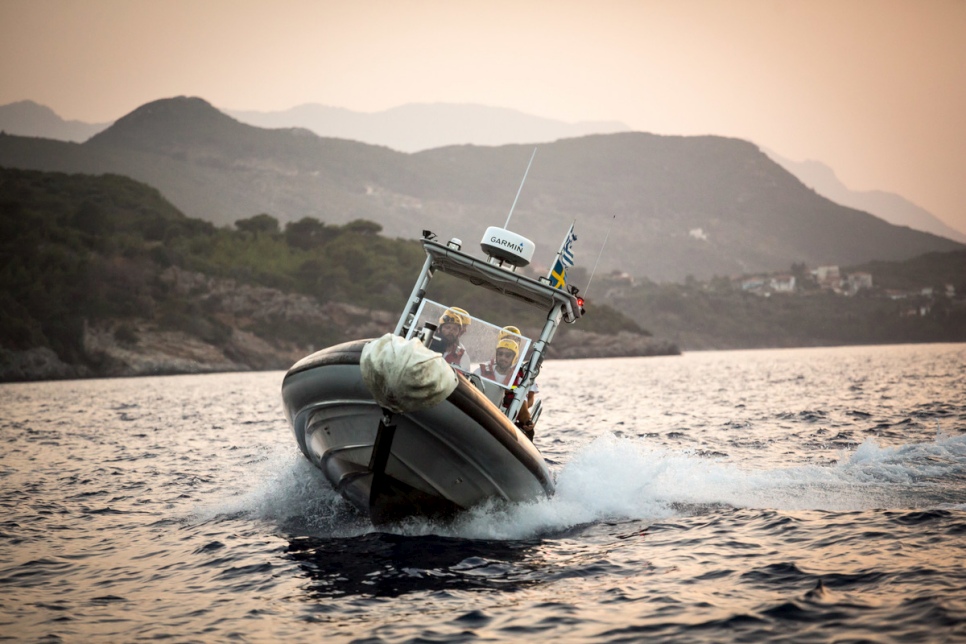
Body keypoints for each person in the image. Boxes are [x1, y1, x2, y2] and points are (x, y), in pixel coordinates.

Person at [429, 306, 472, 371]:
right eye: (464, 326)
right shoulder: (428, 340)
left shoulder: (461, 353)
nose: (465, 330)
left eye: (455, 328)